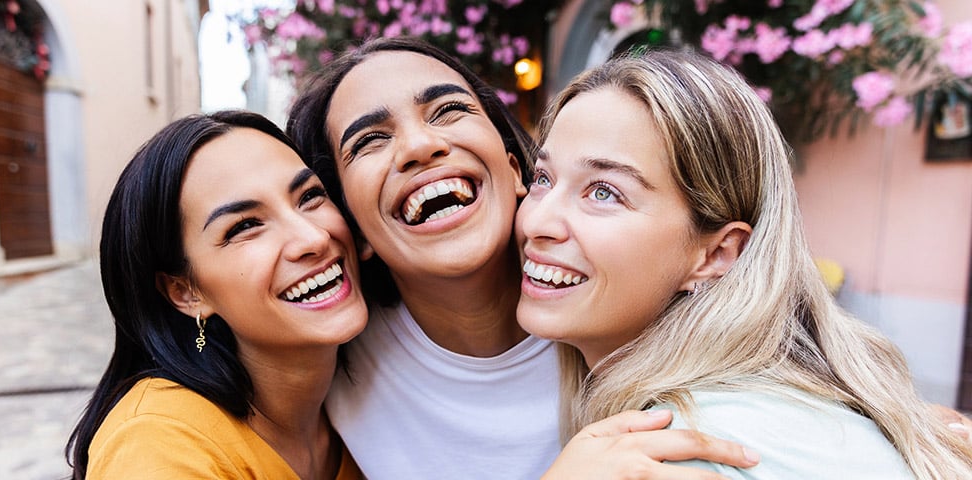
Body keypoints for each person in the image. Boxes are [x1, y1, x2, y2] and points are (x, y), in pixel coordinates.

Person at [287, 37, 758, 479]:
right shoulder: (328, 363)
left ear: (516, 171)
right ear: (352, 223)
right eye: (368, 141)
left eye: (448, 109)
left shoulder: (630, 315)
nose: (419, 146)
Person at [516, 49, 972, 478]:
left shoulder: (678, 451)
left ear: (717, 253)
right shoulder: (762, 407)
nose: (537, 219)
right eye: (543, 178)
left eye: (604, 192)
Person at [65, 111, 368, 479]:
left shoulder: (368, 405)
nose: (314, 238)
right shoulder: (157, 445)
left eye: (310, 196)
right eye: (245, 226)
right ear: (186, 292)